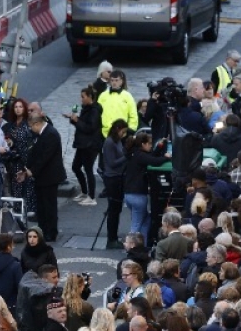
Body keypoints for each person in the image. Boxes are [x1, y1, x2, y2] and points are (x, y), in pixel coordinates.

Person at [122, 131, 171, 245]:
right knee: (136, 225)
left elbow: (150, 156)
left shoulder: (134, 153)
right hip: (138, 195)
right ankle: (131, 246)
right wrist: (165, 157)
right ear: (143, 144)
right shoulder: (140, 156)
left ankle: (142, 245)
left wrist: (160, 145)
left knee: (146, 220)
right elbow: (154, 161)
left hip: (128, 194)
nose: (150, 146)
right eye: (149, 144)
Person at [24, 114, 66, 242]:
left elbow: (45, 157)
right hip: (42, 177)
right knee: (41, 206)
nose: (31, 129)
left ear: (37, 124)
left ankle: (51, 232)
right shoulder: (43, 134)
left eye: (31, 126)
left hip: (50, 177)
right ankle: (43, 229)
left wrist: (32, 171)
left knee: (49, 206)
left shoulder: (50, 134)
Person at [66, 86, 103, 206]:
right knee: (76, 167)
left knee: (88, 169)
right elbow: (83, 124)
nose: (81, 99)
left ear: (90, 97)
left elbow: (89, 128)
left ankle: (92, 197)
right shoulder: (86, 109)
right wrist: (73, 119)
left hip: (91, 145)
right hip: (83, 144)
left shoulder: (94, 111)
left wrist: (77, 121)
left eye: (83, 97)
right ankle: (84, 191)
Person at [102, 119, 128, 249]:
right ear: (118, 129)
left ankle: (114, 237)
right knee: (113, 210)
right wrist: (126, 156)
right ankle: (111, 239)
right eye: (123, 131)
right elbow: (112, 163)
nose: (124, 134)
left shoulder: (117, 141)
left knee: (116, 210)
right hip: (112, 178)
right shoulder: (109, 142)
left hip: (118, 177)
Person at [98, 70, 139, 138]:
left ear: (121, 81)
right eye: (112, 80)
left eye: (116, 80)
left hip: (121, 133)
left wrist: (130, 130)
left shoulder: (128, 96)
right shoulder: (103, 96)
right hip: (104, 133)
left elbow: (133, 115)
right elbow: (97, 113)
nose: (114, 83)